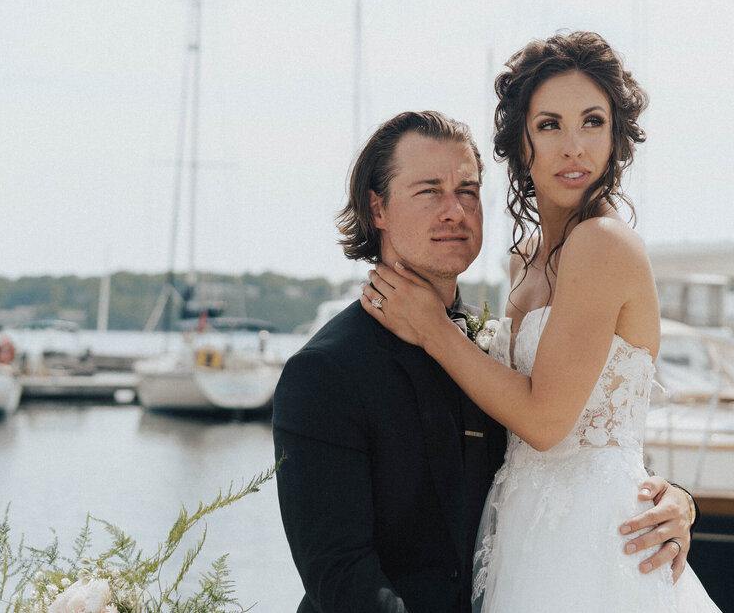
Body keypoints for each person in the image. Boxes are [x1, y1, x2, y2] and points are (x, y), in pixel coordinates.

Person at [273, 110, 696, 613]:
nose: (454, 211)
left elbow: (569, 444)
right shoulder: (324, 373)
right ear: (377, 207)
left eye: (468, 191)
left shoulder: (494, 347)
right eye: (429, 190)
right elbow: (341, 576)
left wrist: (676, 501)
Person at [363, 33, 721, 612]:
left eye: (593, 122)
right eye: (551, 125)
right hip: (524, 526)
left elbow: (548, 421)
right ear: (521, 142)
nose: (574, 147)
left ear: (616, 139)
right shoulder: (525, 257)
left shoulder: (603, 245)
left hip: (594, 541)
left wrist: (434, 328)